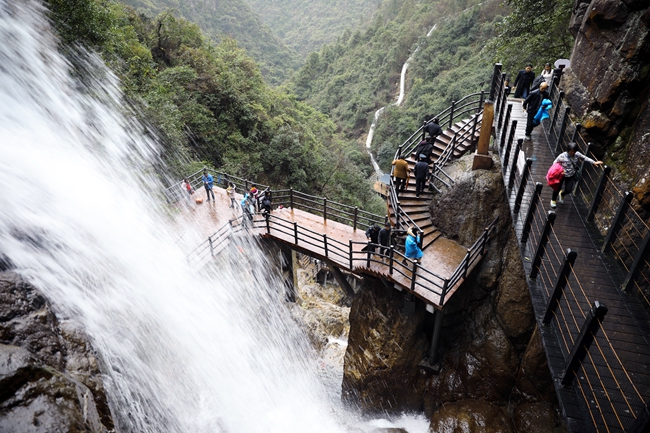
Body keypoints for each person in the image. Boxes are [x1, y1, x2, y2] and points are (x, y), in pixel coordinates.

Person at [550, 142, 603, 209]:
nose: (572, 153)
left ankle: (562, 194)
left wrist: (593, 162)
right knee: (557, 188)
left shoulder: (577, 154)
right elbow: (554, 163)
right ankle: (553, 200)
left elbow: (584, 158)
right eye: (571, 151)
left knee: (569, 189)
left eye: (574, 151)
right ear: (568, 150)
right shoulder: (562, 156)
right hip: (561, 175)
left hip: (571, 174)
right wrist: (559, 170)